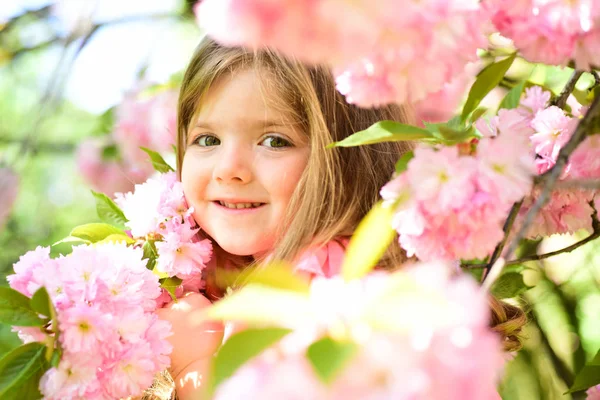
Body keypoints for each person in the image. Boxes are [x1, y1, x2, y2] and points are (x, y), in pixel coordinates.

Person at [147, 36, 525, 400]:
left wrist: (194, 369)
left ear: (347, 161)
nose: (229, 170)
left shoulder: (324, 292)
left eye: (275, 141)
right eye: (207, 140)